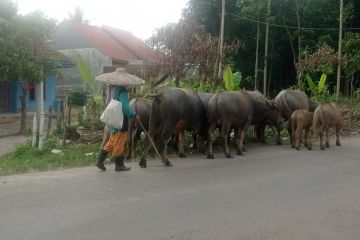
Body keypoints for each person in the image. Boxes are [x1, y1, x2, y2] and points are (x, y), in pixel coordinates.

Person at [96, 85, 139, 171]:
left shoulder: (114, 90)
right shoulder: (123, 91)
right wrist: (133, 115)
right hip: (121, 122)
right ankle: (119, 165)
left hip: (114, 121)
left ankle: (100, 161)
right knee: (120, 142)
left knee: (111, 142)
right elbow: (125, 107)